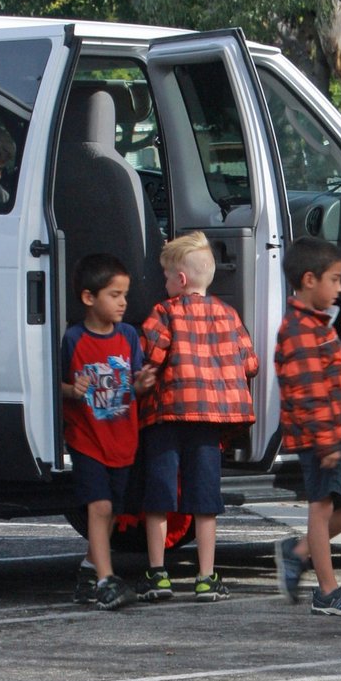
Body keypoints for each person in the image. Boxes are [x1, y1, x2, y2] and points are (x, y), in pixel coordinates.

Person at [137, 231, 259, 602]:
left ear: (181, 280)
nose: (164, 282)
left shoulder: (165, 312)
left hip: (168, 416)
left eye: (166, 276)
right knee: (206, 500)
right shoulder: (228, 314)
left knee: (158, 496)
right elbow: (250, 363)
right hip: (209, 423)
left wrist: (141, 377)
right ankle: (206, 577)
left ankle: (158, 574)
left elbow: (151, 355)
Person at [273, 236, 341, 616]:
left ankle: (298, 551)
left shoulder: (318, 325)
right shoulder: (298, 332)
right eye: (334, 280)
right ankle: (327, 592)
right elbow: (308, 395)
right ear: (309, 280)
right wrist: (326, 443)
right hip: (322, 440)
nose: (339, 288)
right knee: (320, 510)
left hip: (339, 436)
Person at [62, 253, 157, 610]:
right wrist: (72, 390)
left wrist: (143, 383)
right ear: (89, 298)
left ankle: (89, 571)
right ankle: (105, 580)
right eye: (114, 295)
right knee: (99, 507)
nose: (123, 302)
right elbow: (52, 385)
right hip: (88, 439)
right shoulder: (73, 339)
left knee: (112, 511)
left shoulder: (129, 335)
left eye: (125, 295)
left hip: (123, 440)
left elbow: (132, 383)